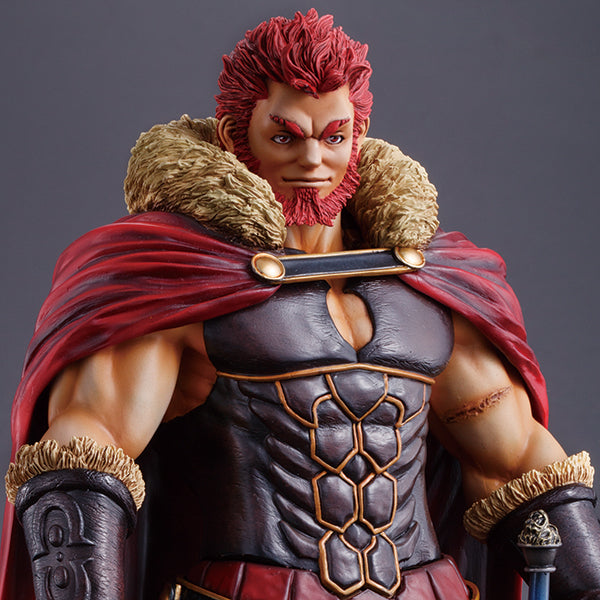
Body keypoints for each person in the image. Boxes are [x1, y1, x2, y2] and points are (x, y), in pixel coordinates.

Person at [1, 9, 599, 600]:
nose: (313, 162)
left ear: (358, 136)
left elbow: (519, 463)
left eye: (333, 137)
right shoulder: (176, 281)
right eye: (285, 137)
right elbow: (84, 454)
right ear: (237, 136)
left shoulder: (426, 289)